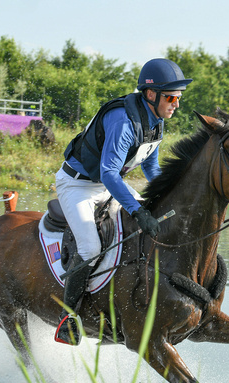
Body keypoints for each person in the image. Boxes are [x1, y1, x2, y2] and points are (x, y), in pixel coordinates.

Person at [53, 58, 192, 345]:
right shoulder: (123, 121)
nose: (176, 104)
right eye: (171, 97)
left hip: (108, 184)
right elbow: (108, 172)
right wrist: (137, 210)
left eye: (179, 98)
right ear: (151, 94)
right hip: (78, 185)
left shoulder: (155, 122)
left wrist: (169, 197)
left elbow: (151, 168)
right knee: (90, 247)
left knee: (152, 218)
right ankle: (68, 317)